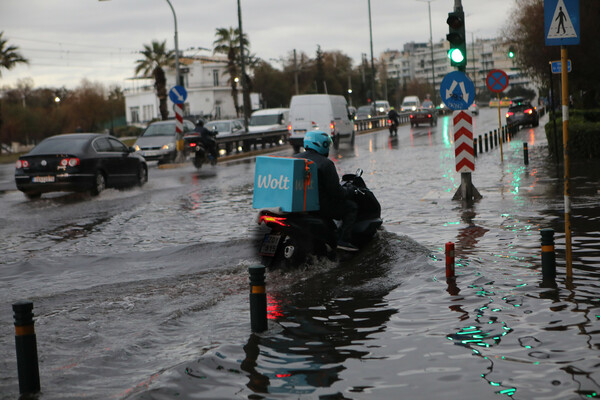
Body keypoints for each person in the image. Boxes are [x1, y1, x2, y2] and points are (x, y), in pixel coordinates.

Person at [294, 130, 359, 252]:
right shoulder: (326, 164)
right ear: (321, 145)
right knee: (351, 207)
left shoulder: (294, 159)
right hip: (320, 206)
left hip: (299, 205)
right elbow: (336, 192)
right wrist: (349, 191)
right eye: (326, 145)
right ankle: (343, 241)